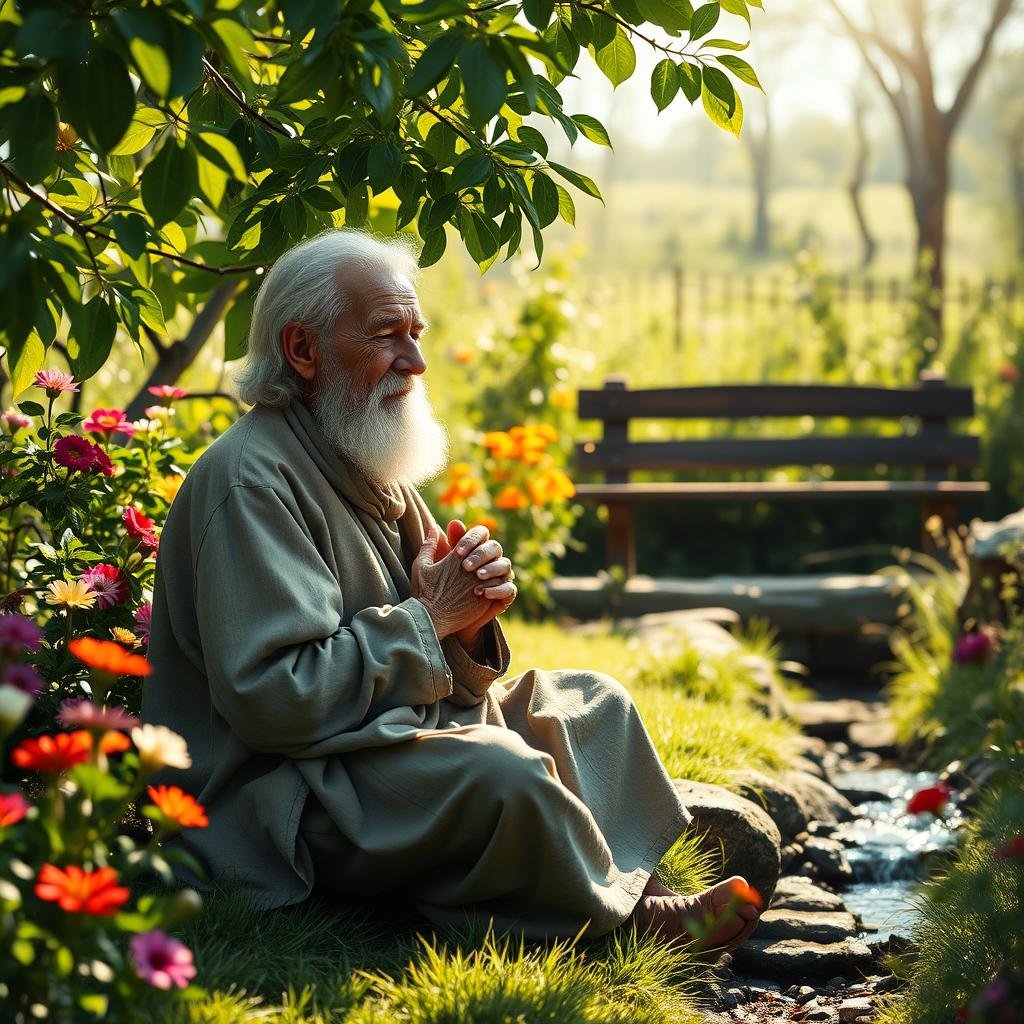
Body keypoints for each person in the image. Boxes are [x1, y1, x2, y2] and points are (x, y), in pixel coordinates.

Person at [142, 228, 761, 949]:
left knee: (595, 705)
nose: (417, 360)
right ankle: (629, 922)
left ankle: (630, 887)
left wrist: (468, 627)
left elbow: (450, 661)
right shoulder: (252, 480)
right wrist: (432, 617)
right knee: (505, 774)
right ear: (303, 351)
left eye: (417, 332)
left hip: (374, 741)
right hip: (289, 795)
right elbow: (276, 701)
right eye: (386, 336)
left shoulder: (364, 456)